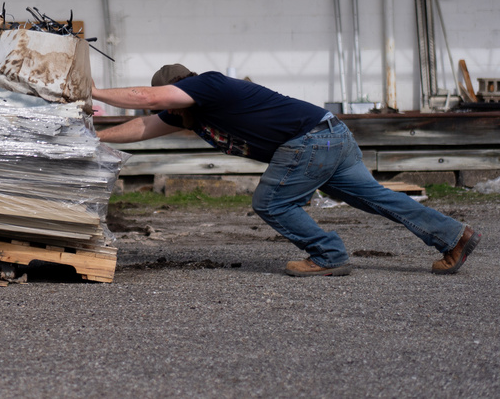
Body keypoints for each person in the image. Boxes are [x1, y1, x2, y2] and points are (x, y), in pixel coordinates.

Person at [92, 64, 481, 277]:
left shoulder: (208, 85)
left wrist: (88, 91)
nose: (169, 114)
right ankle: (453, 235)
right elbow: (142, 126)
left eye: (172, 103)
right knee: (377, 199)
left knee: (271, 201)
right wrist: (92, 135)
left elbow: (146, 99)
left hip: (311, 139)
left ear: (181, 87)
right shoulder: (188, 116)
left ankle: (328, 255)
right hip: (330, 136)